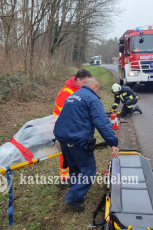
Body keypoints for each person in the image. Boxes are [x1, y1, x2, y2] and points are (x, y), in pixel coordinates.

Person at [54, 77, 120, 212]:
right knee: (88, 171)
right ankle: (73, 197)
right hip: (77, 140)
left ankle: (78, 198)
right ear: (95, 87)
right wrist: (113, 143)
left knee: (74, 169)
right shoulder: (92, 99)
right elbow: (102, 122)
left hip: (63, 138)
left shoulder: (73, 96)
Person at [53, 69, 92, 182]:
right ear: (78, 80)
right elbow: (62, 113)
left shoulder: (80, 89)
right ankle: (64, 177)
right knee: (65, 152)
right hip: (64, 126)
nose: (86, 85)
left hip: (74, 126)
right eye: (84, 82)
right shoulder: (66, 92)